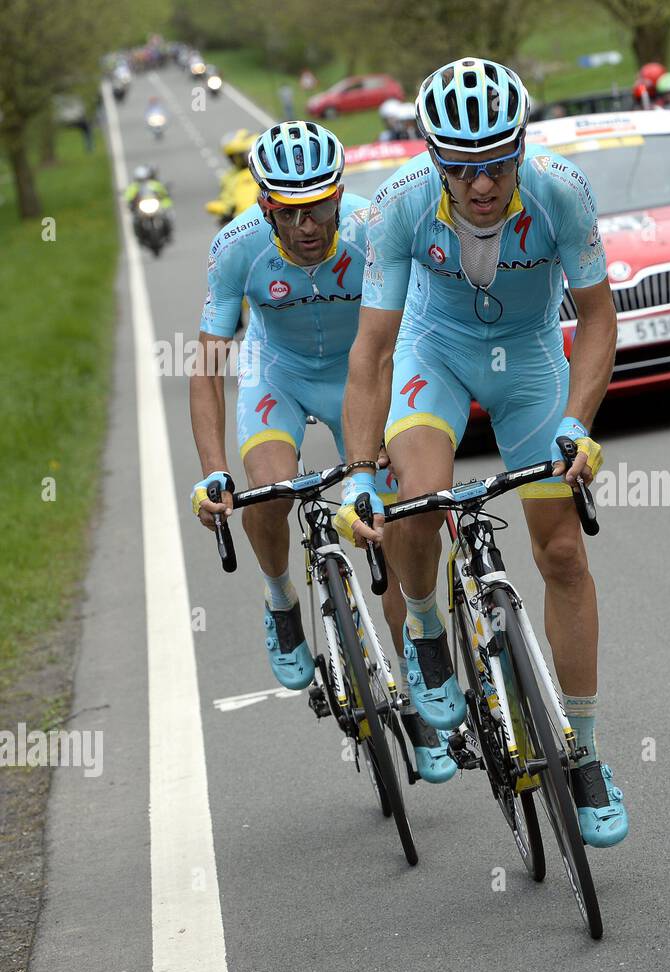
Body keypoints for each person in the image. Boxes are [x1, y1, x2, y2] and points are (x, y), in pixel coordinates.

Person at [338, 57, 629, 847]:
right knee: (421, 499)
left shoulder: (562, 189)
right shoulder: (397, 208)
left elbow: (599, 319)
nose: (481, 184)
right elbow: (372, 349)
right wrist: (362, 473)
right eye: (461, 167)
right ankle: (429, 630)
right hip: (435, 353)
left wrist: (578, 420)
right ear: (434, 158)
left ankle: (586, 750)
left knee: (563, 550)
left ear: (521, 148)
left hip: (530, 360)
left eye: (497, 162)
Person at [188, 122, 457, 786]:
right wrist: (212, 472)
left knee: (390, 535)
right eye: (290, 209)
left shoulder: (371, 229)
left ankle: (420, 704)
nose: (309, 224)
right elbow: (207, 371)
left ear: (342, 196)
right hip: (275, 373)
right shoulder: (236, 249)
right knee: (270, 489)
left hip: (359, 377)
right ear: (264, 206)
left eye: (322, 205)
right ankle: (282, 600)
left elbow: (412, 329)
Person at [207, 129, 259, 226]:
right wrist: (225, 209)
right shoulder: (229, 176)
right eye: (232, 157)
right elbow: (226, 200)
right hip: (240, 223)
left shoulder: (263, 171)